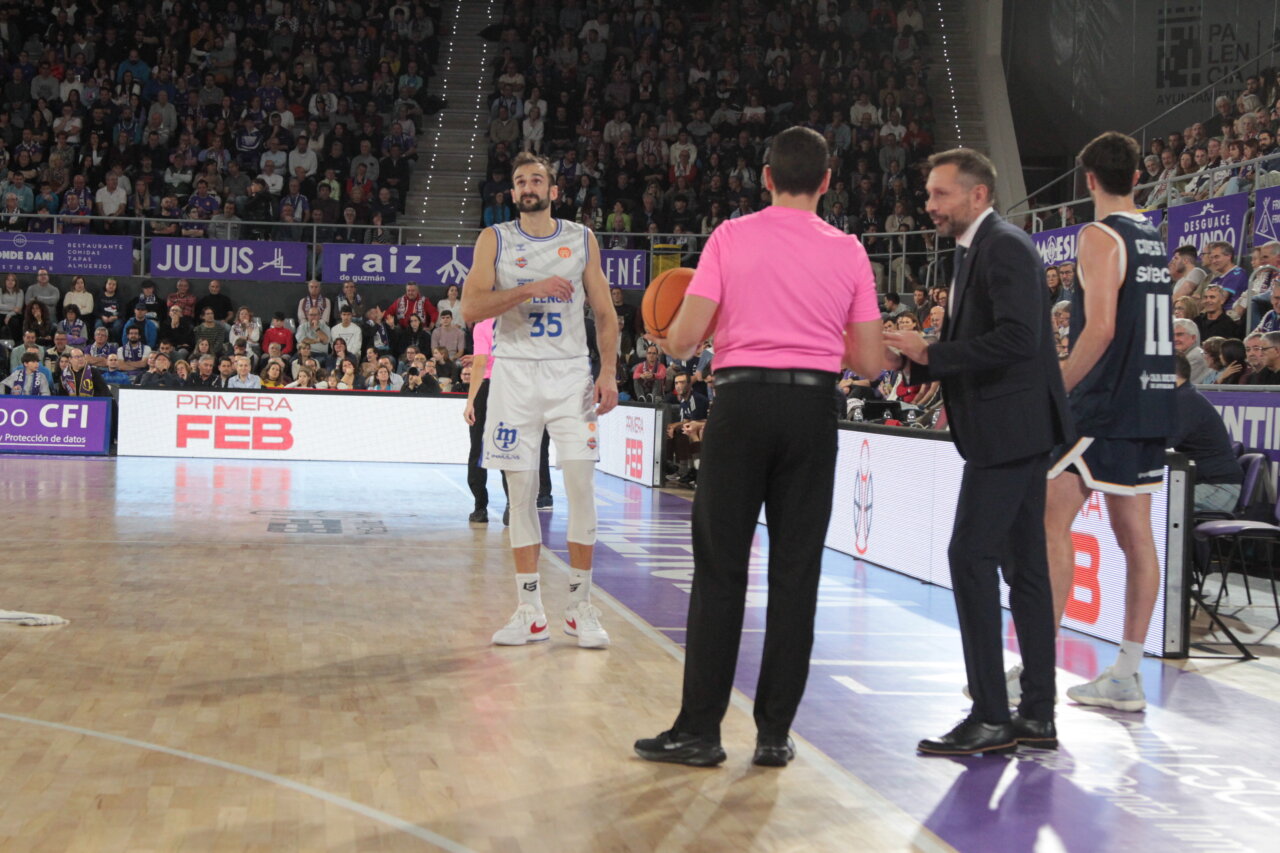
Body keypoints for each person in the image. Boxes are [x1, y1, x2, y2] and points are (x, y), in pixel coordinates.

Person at [633, 127, 883, 768]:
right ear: (828, 181)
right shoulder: (851, 251)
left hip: (740, 405)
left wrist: (670, 329)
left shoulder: (729, 237)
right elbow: (870, 362)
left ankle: (700, 731)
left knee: (720, 571)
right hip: (811, 410)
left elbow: (685, 341)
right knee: (795, 574)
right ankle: (773, 734)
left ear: (765, 177)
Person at [885, 148, 1072, 756]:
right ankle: (1036, 715)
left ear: (979, 196)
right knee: (1025, 572)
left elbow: (1018, 339)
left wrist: (931, 354)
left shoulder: (1006, 247)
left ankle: (992, 714)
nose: (930, 204)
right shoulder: (981, 249)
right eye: (931, 193)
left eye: (940, 194)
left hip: (1010, 434)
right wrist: (925, 351)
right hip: (1012, 431)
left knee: (970, 558)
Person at [460, 151, 619, 650]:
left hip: (570, 373)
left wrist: (609, 370)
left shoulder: (582, 238)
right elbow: (470, 308)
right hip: (513, 376)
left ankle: (579, 607)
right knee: (520, 492)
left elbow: (606, 313)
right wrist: (528, 288)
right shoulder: (496, 239)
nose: (528, 185)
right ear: (513, 193)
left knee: (580, 484)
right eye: (520, 180)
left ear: (554, 191)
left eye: (537, 179)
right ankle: (530, 610)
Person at [1044, 132, 1177, 714]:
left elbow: (1097, 329)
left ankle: (1033, 666)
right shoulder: (1152, 237)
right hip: (1149, 402)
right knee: (1136, 536)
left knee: (1047, 521)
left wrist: (1056, 392)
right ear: (1137, 179)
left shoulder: (1098, 235)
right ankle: (1126, 673)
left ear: (1089, 180)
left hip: (1100, 404)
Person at [1171, 354, 1244, 512]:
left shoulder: (1185, 400)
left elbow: (1161, 442)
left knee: (1149, 507)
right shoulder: (1181, 397)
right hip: (1203, 483)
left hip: (1217, 488)